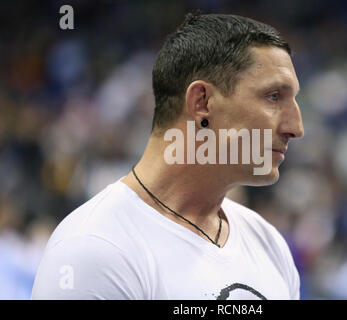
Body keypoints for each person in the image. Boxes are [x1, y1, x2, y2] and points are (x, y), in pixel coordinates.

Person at [31, 12, 304, 300]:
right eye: (274, 97)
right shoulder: (95, 250)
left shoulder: (269, 244)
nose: (296, 128)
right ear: (202, 102)